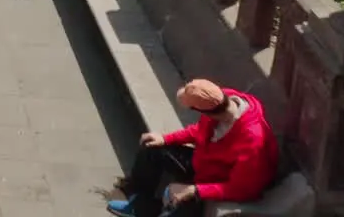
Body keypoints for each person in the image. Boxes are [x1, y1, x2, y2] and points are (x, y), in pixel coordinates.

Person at [108, 79, 279, 217]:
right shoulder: (222, 99)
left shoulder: (252, 139)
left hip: (221, 179)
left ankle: (151, 210)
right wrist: (165, 138)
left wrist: (194, 190)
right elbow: (198, 131)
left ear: (206, 112)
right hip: (204, 163)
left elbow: (242, 188)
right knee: (152, 149)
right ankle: (137, 200)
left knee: (185, 206)